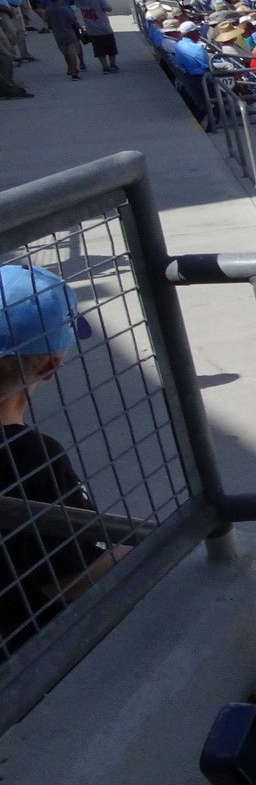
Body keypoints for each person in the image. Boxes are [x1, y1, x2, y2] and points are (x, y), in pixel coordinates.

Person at [1, 264, 126, 655]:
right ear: (52, 367)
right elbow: (68, 581)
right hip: (24, 664)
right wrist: (145, 545)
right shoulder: (29, 457)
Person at [171, 20, 213, 125]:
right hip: (202, 81)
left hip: (189, 79)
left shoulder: (179, 45)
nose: (199, 34)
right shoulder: (198, 49)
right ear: (192, 33)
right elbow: (208, 67)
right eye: (197, 32)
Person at [75, 0, 118, 74]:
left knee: (99, 50)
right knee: (111, 47)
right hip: (104, 26)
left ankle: (105, 67)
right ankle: (113, 64)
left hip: (91, 28)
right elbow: (108, 8)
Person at [42, 0, 84, 81]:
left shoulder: (48, 10)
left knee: (66, 53)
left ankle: (70, 68)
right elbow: (74, 21)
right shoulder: (64, 9)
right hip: (69, 33)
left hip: (58, 34)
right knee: (72, 52)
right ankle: (74, 72)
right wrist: (82, 29)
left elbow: (47, 23)